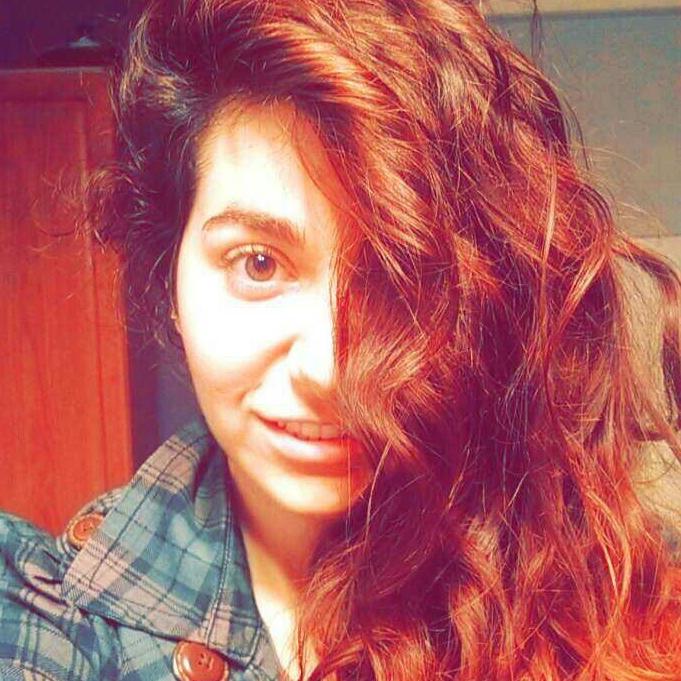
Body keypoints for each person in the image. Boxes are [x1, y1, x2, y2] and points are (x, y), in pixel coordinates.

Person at [1, 1, 680, 679]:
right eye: (257, 264)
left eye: (398, 277)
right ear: (169, 280)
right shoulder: (48, 614)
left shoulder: (615, 586)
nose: (329, 369)